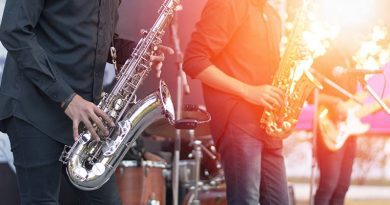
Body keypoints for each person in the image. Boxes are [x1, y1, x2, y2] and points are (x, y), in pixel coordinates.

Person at [0, 0, 171, 204]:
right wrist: (67, 98)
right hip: (34, 108)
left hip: (85, 118)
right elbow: (14, 31)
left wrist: (131, 50)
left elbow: (96, 40)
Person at [183, 0, 289, 204]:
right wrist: (248, 91)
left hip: (269, 123)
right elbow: (194, 60)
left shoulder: (271, 14)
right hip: (239, 122)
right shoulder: (227, 4)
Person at [311, 33, 360, 205]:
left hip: (348, 131)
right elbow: (310, 95)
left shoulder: (352, 64)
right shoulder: (324, 60)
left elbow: (352, 102)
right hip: (328, 128)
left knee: (342, 186)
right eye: (357, 35)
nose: (359, 40)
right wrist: (335, 101)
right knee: (328, 185)